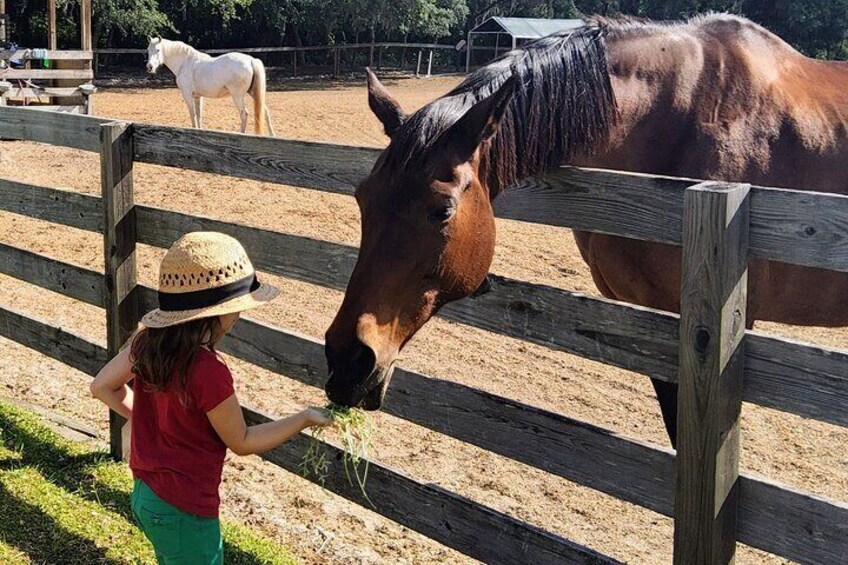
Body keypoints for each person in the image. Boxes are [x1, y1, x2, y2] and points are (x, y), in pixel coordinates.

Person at [91, 231, 332, 564]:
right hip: (185, 511)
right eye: (237, 308)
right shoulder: (208, 371)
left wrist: (146, 420)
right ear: (215, 313)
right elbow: (243, 440)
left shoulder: (146, 342)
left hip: (146, 494)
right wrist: (304, 418)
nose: (239, 316)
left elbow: (101, 386)